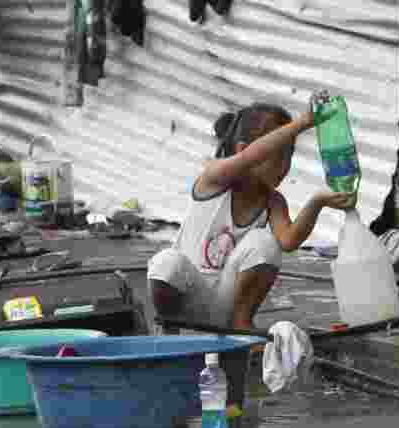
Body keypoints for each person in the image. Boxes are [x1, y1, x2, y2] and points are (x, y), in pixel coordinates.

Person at [147, 102, 355, 331]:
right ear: (242, 149)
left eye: (290, 155)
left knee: (265, 243)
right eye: (278, 155)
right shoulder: (214, 178)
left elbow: (289, 241)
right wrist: (302, 123)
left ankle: (241, 322)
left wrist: (318, 203)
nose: (284, 166)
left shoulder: (273, 200)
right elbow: (249, 158)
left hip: (224, 310)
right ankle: (169, 330)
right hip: (186, 305)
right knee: (167, 262)